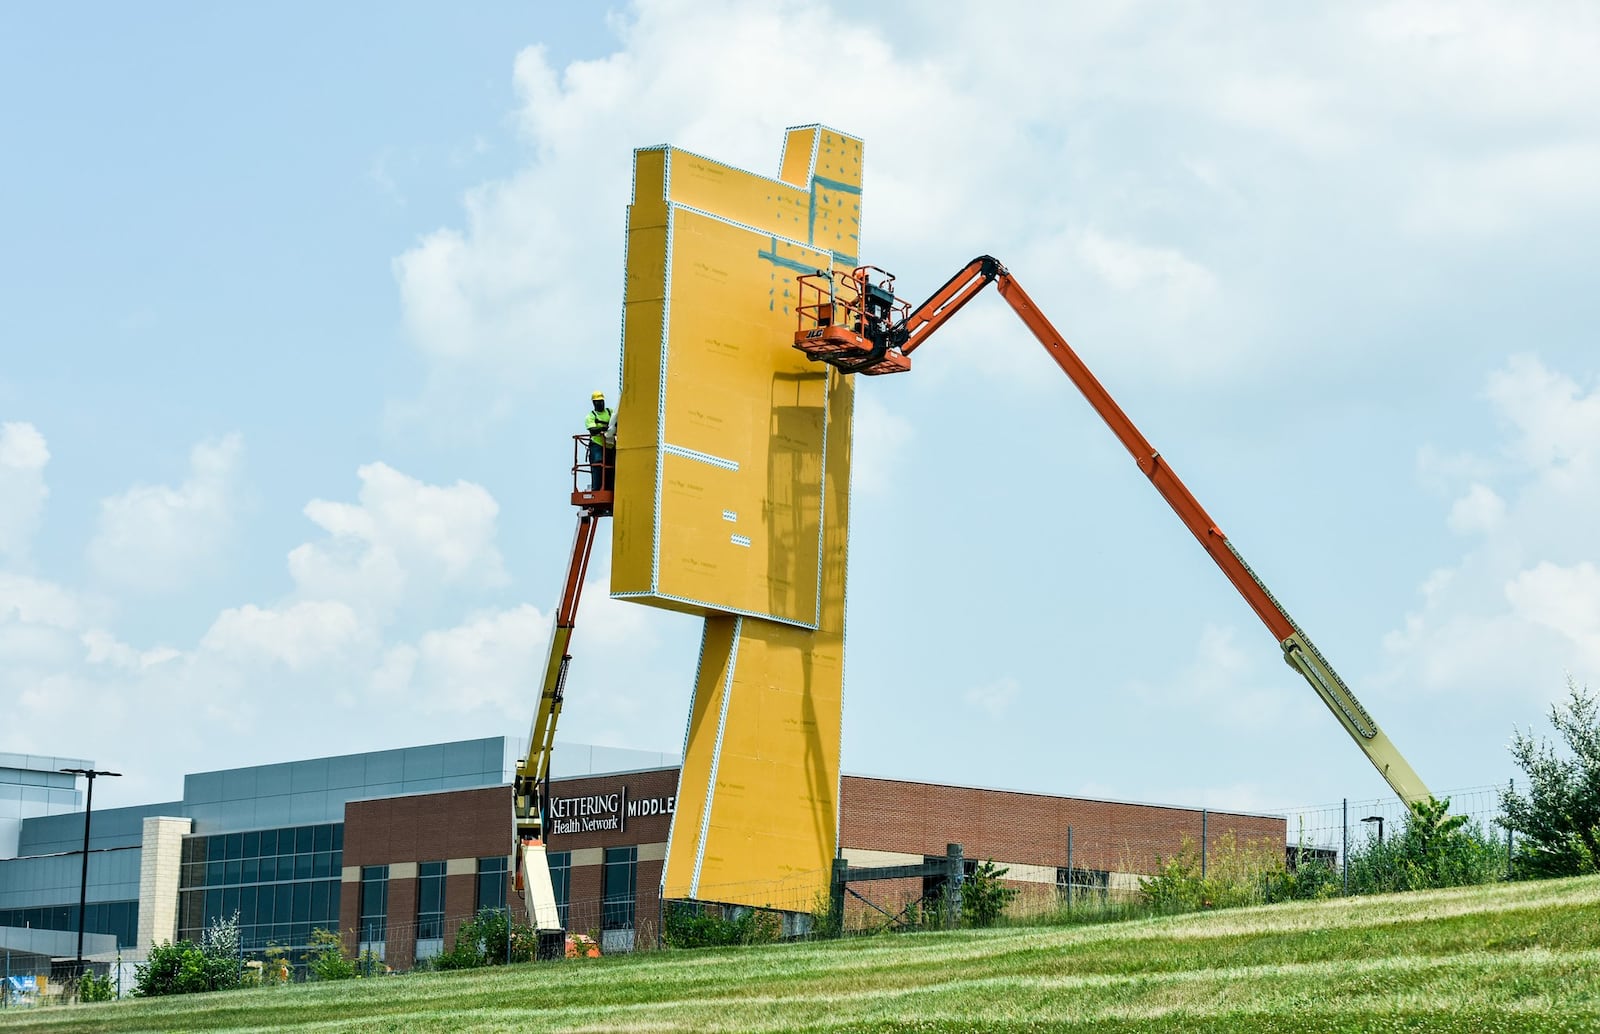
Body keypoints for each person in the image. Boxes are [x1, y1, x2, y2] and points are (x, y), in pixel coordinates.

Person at [585, 391, 613, 490]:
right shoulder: (591, 416)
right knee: (598, 464)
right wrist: (602, 429)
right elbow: (592, 430)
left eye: (601, 401)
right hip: (597, 445)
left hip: (610, 445)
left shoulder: (610, 412)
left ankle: (610, 488)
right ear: (594, 403)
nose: (600, 403)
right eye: (597, 401)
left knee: (611, 466)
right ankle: (597, 488)